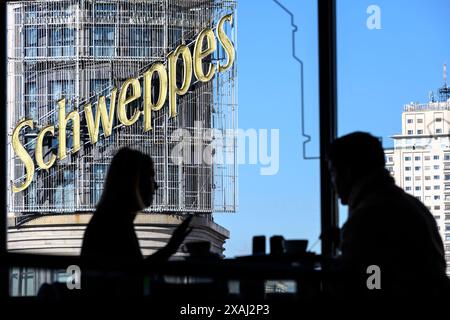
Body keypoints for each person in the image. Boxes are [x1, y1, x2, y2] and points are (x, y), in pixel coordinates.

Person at [327, 132, 449, 298]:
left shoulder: (367, 217)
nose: (332, 183)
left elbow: (373, 285)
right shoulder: (411, 205)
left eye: (333, 172)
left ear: (347, 172)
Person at [80, 147, 192, 296]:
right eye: (151, 176)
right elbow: (133, 280)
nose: (156, 186)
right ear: (134, 182)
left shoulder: (110, 218)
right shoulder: (114, 224)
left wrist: (171, 246)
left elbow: (134, 272)